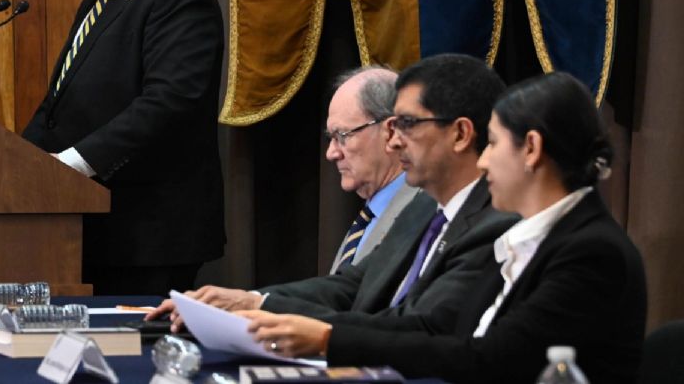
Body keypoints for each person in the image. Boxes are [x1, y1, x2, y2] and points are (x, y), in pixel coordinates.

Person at [241, 72, 647, 384]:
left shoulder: (591, 250)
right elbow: (440, 333)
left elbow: (487, 359)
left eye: (492, 144)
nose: (482, 162)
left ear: (532, 149)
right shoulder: (543, 235)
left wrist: (329, 339)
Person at [148, 54, 517, 332]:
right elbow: (353, 284)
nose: (395, 139)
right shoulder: (427, 210)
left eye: (406, 125)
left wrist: (320, 336)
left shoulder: (494, 223)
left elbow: (423, 326)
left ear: (461, 134)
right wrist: (253, 301)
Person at [21, 0, 225, 295]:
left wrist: (72, 165)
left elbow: (169, 103)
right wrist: (18, 166)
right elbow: (58, 105)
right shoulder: (98, 0)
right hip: (95, 227)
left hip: (149, 234)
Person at [324, 66, 420, 273]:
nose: (331, 153)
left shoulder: (421, 212)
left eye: (342, 135)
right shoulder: (368, 218)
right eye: (331, 138)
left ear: (391, 131)